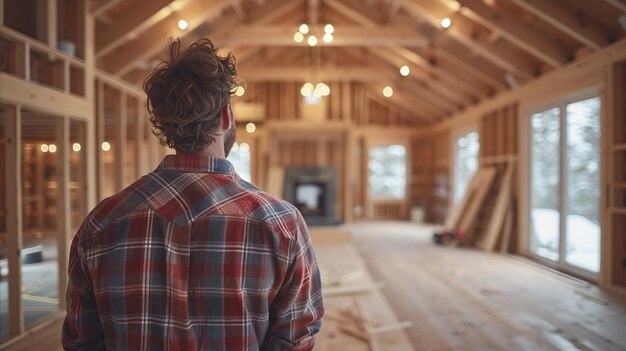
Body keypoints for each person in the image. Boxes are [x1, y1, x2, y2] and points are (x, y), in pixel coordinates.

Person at [62, 38, 324, 350]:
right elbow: (295, 339)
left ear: (163, 124)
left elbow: (82, 342)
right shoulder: (282, 224)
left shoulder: (101, 224)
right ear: (226, 117)